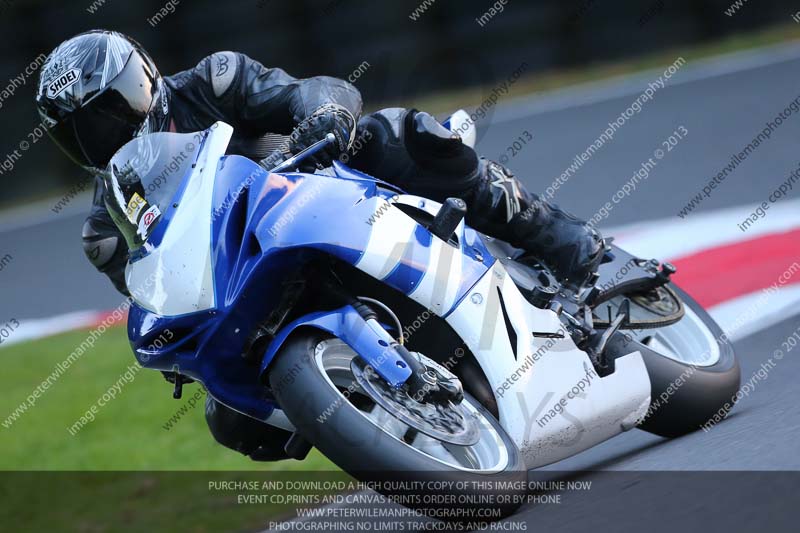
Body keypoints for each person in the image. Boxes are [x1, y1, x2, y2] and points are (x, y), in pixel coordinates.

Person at [36, 30, 604, 461]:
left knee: (407, 137)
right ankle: (382, 424)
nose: (103, 135)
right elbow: (159, 288)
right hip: (248, 278)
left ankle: (568, 246)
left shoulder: (214, 81)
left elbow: (307, 91)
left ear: (141, 82)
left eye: (109, 112)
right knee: (231, 421)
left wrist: (324, 116)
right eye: (82, 131)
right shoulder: (109, 225)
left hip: (322, 190)